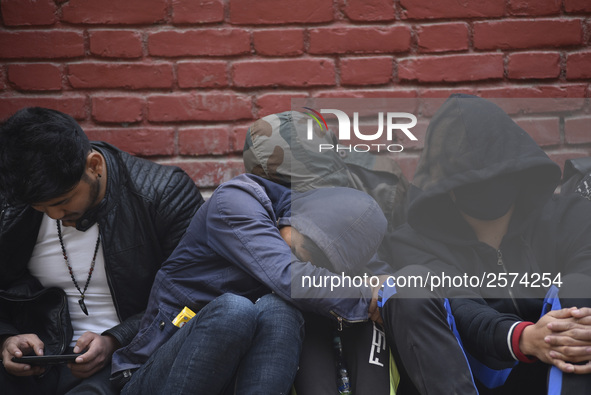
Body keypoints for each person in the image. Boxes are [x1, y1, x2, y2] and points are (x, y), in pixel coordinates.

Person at [379, 94, 591, 394]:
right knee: (406, 289)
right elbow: (462, 307)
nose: (487, 183)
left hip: (568, 371)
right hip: (477, 374)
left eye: (496, 173)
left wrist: (563, 332)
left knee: (581, 290)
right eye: (472, 179)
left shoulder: (570, 216)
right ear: (447, 189)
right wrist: (524, 338)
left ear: (520, 171)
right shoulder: (411, 243)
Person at [110, 172, 389, 394]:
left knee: (280, 310)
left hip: (237, 376)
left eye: (318, 263)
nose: (304, 261)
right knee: (234, 311)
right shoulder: (235, 202)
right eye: (306, 248)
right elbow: (288, 276)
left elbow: (387, 277)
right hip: (156, 370)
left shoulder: (312, 229)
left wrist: (390, 288)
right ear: (301, 215)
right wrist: (365, 298)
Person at [0, 107, 204, 395]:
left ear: (94, 165)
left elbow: (192, 295)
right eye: (40, 208)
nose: (54, 215)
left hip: (130, 360)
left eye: (63, 201)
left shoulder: (164, 194)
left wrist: (116, 340)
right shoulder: (12, 205)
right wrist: (6, 338)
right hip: (36, 364)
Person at [243, 111, 402, 394]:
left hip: (364, 316)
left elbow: (378, 256)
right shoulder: (253, 208)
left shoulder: (364, 183)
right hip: (302, 315)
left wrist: (381, 282)